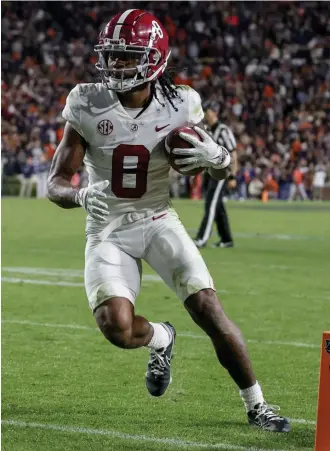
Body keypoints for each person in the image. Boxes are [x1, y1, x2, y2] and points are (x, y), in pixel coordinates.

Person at [47, 9, 290, 433]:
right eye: (112, 56)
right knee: (117, 329)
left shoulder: (182, 103)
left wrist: (220, 160)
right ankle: (161, 337)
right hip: (107, 228)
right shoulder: (86, 101)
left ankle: (258, 405)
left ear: (153, 58)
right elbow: (55, 183)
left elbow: (215, 170)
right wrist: (81, 195)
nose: (115, 65)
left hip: (158, 218)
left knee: (207, 306)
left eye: (126, 56)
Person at [194, 101, 237, 248]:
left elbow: (233, 153)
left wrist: (232, 176)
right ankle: (226, 239)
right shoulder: (206, 130)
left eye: (209, 111)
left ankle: (201, 238)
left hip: (222, 173)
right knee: (218, 207)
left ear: (215, 113)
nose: (206, 114)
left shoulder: (223, 130)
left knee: (210, 205)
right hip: (210, 172)